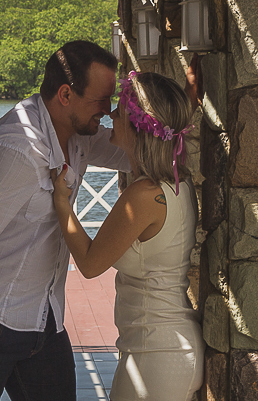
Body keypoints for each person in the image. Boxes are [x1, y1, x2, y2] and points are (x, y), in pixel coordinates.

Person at [0, 40, 131, 401]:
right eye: (101, 100)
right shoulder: (16, 151)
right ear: (66, 94)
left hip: (42, 318)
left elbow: (130, 150)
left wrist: (179, 123)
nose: (108, 109)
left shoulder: (77, 135)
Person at [50, 70, 203, 401]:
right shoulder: (178, 182)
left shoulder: (144, 196)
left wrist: (62, 202)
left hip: (157, 355)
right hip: (164, 348)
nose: (110, 114)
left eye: (118, 110)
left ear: (138, 126)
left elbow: (91, 263)